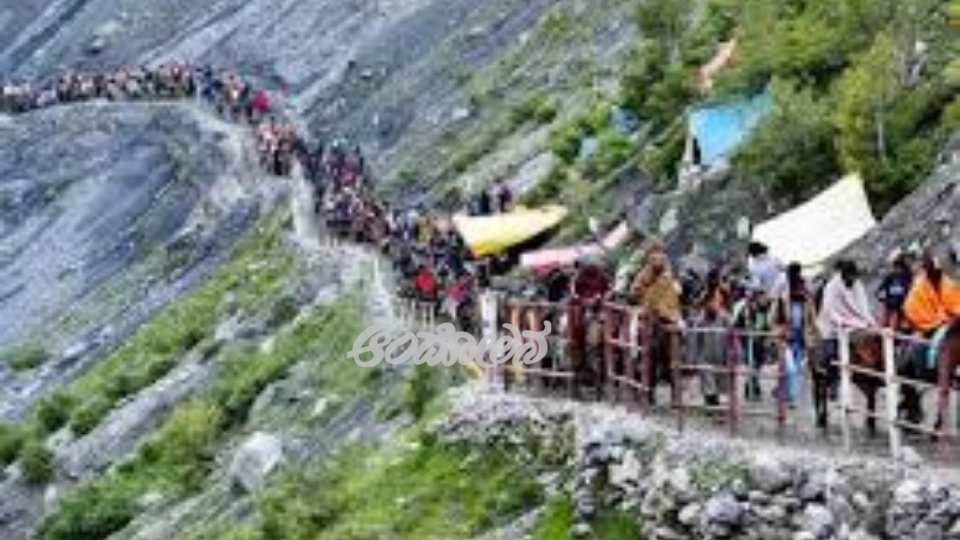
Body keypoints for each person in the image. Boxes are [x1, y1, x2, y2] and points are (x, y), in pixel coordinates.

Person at [817, 260, 877, 399]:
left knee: (871, 343)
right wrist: (842, 322)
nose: (852, 279)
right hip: (832, 326)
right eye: (850, 276)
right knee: (831, 354)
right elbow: (829, 310)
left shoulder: (858, 285)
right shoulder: (831, 287)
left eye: (854, 277)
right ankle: (832, 383)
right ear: (844, 275)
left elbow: (863, 307)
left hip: (854, 323)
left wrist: (871, 323)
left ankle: (872, 378)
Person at [774, 262, 818, 407]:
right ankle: (790, 397)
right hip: (785, 338)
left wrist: (814, 334)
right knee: (791, 368)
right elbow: (774, 318)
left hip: (801, 338)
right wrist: (779, 332)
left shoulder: (806, 295)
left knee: (796, 369)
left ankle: (787, 394)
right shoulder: (782, 295)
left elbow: (812, 318)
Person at [876, 253, 913, 330]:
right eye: (896, 268)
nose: (897, 270)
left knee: (894, 313)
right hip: (889, 304)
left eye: (899, 268)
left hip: (899, 307)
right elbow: (879, 291)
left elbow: (908, 293)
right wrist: (883, 298)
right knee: (885, 310)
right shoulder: (890, 277)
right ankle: (882, 328)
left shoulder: (907, 277)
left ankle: (890, 329)